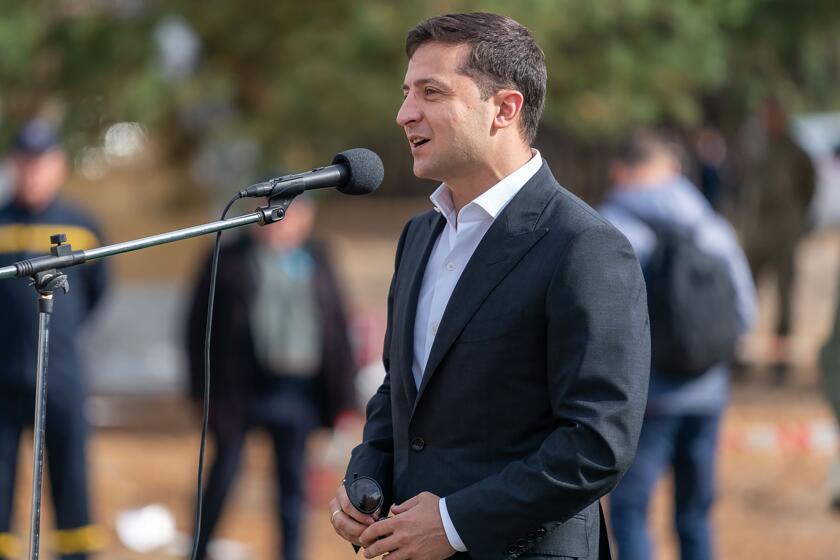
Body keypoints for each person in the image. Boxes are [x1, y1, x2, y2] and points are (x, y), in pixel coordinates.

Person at [329, 13, 651, 560]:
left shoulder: (585, 246)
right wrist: (366, 478)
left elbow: (597, 445)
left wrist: (454, 524)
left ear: (504, 108)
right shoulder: (420, 234)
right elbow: (399, 391)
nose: (404, 113)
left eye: (431, 92)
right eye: (407, 92)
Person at [600, 130, 756, 560]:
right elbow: (745, 312)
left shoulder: (611, 227)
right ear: (674, 170)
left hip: (646, 398)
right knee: (696, 512)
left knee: (631, 509)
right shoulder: (711, 225)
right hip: (709, 392)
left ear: (620, 171)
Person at [186, 194, 357, 560]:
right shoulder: (227, 258)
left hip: (298, 392)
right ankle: (198, 550)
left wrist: (345, 396)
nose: (284, 221)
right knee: (223, 476)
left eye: (295, 213)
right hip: (240, 388)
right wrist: (201, 392)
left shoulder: (319, 257)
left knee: (292, 488)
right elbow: (196, 327)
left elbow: (338, 326)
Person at [0, 119, 109, 559]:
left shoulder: (83, 225)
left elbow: (99, 290)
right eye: (25, 163)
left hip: (63, 377)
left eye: (41, 163)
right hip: (2, 379)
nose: (33, 173)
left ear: (58, 166)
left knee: (71, 480)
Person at [736, 98, 815, 382]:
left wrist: (797, 222)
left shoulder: (796, 152)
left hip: (784, 234)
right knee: (746, 293)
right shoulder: (753, 147)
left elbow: (809, 188)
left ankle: (780, 361)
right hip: (756, 233)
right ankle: (740, 355)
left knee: (784, 297)